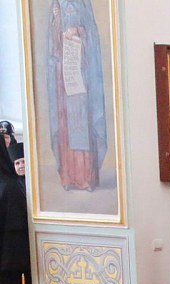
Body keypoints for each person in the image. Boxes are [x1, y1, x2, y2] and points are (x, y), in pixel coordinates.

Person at [48, 0, 106, 191]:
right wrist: (57, 21)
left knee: (82, 124)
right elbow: (52, 45)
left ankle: (86, 178)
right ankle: (68, 177)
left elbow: (92, 33)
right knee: (65, 125)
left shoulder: (82, 3)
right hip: (63, 74)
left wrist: (77, 31)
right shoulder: (57, 4)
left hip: (81, 73)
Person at [0, 140, 31, 284]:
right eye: (16, 162)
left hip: (11, 261)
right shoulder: (9, 184)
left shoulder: (8, 186)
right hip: (9, 258)